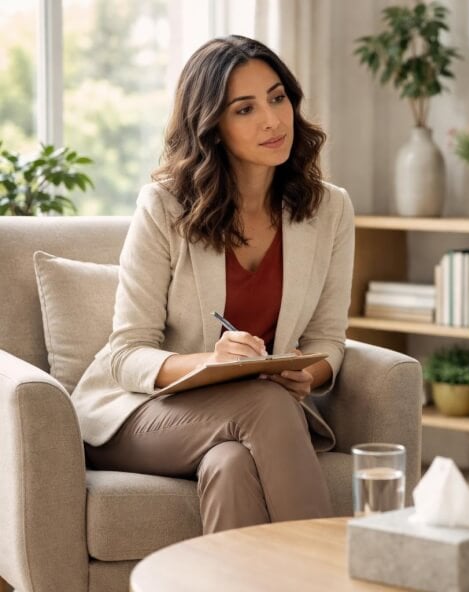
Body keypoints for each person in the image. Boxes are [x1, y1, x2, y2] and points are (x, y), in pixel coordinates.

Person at [72, 35, 355, 533]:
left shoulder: (329, 209)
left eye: (277, 97)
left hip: (248, 419)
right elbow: (124, 353)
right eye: (245, 109)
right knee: (265, 405)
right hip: (140, 415)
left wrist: (307, 375)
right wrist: (211, 361)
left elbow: (329, 339)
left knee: (231, 464)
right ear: (213, 127)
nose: (272, 119)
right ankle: (328, 578)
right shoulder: (164, 206)